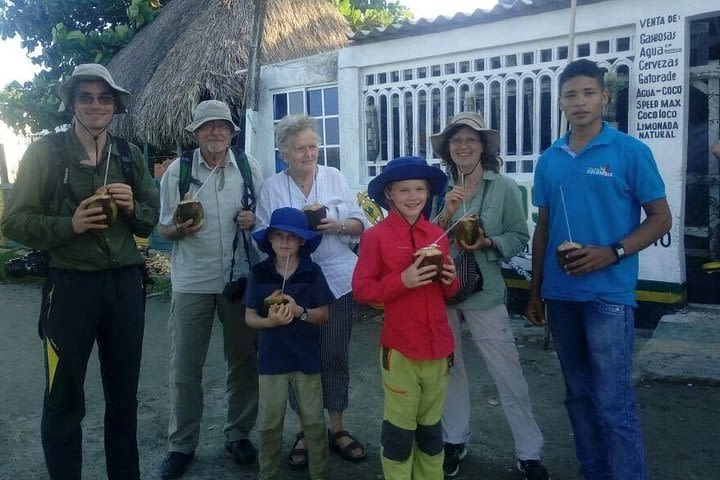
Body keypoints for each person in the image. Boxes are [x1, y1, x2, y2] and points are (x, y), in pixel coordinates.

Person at [1, 63, 160, 479]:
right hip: (69, 288)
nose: (95, 105)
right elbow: (14, 222)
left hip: (125, 286)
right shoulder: (46, 153)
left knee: (124, 399)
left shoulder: (128, 154)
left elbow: (150, 219)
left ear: (115, 105)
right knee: (63, 399)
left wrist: (131, 208)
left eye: (104, 97)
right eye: (85, 97)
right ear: (70, 103)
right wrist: (68, 226)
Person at [525, 58, 672, 480]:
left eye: (589, 92)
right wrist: (535, 292)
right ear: (561, 103)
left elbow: (660, 217)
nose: (580, 102)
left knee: (613, 400)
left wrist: (613, 252)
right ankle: (593, 471)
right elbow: (545, 228)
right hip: (561, 295)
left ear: (604, 97)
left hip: (609, 295)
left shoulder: (629, 151)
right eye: (571, 94)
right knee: (578, 396)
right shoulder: (550, 158)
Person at [430, 112, 549, 480]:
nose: (463, 146)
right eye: (456, 141)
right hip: (445, 290)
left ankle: (529, 452)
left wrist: (489, 243)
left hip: (487, 291)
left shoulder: (504, 187)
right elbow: (427, 242)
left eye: (471, 140)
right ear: (448, 150)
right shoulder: (438, 188)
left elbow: (518, 235)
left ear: (484, 146)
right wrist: (447, 212)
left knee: (507, 371)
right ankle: (454, 439)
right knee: (450, 371)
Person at [255, 114, 369, 467]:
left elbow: (359, 223)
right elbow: (262, 233)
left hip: (336, 279)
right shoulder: (273, 187)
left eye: (313, 146)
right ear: (284, 152)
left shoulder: (333, 177)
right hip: (294, 283)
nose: (308, 154)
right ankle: (307, 429)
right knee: (302, 360)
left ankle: (336, 426)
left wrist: (337, 226)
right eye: (300, 148)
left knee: (335, 355)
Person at [157, 100, 263, 479]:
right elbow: (163, 228)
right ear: (196, 133)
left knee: (243, 362)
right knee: (185, 367)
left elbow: (263, 222)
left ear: (232, 132)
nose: (215, 132)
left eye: (222, 126)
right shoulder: (179, 171)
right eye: (207, 127)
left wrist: (253, 220)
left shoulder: (249, 168)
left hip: (238, 279)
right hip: (192, 282)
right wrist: (178, 230)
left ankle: (237, 434)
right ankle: (180, 445)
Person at [352, 156, 459, 480]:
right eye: (404, 190)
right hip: (400, 350)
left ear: (428, 193)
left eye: (419, 190)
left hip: (439, 349)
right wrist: (403, 281)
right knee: (399, 432)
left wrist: (450, 278)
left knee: (431, 430)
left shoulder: (438, 234)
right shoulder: (376, 237)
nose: (413, 197)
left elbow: (450, 292)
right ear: (389, 194)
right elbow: (362, 290)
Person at [245, 207, 335, 480]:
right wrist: (269, 322)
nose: (285, 241)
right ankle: (267, 473)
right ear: (269, 240)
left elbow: (323, 315)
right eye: (279, 235)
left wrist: (300, 312)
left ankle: (320, 474)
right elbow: (250, 317)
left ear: (302, 241)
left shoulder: (312, 271)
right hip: (271, 361)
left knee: (314, 422)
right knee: (269, 424)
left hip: (306, 359)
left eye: (292, 236)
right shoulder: (259, 273)